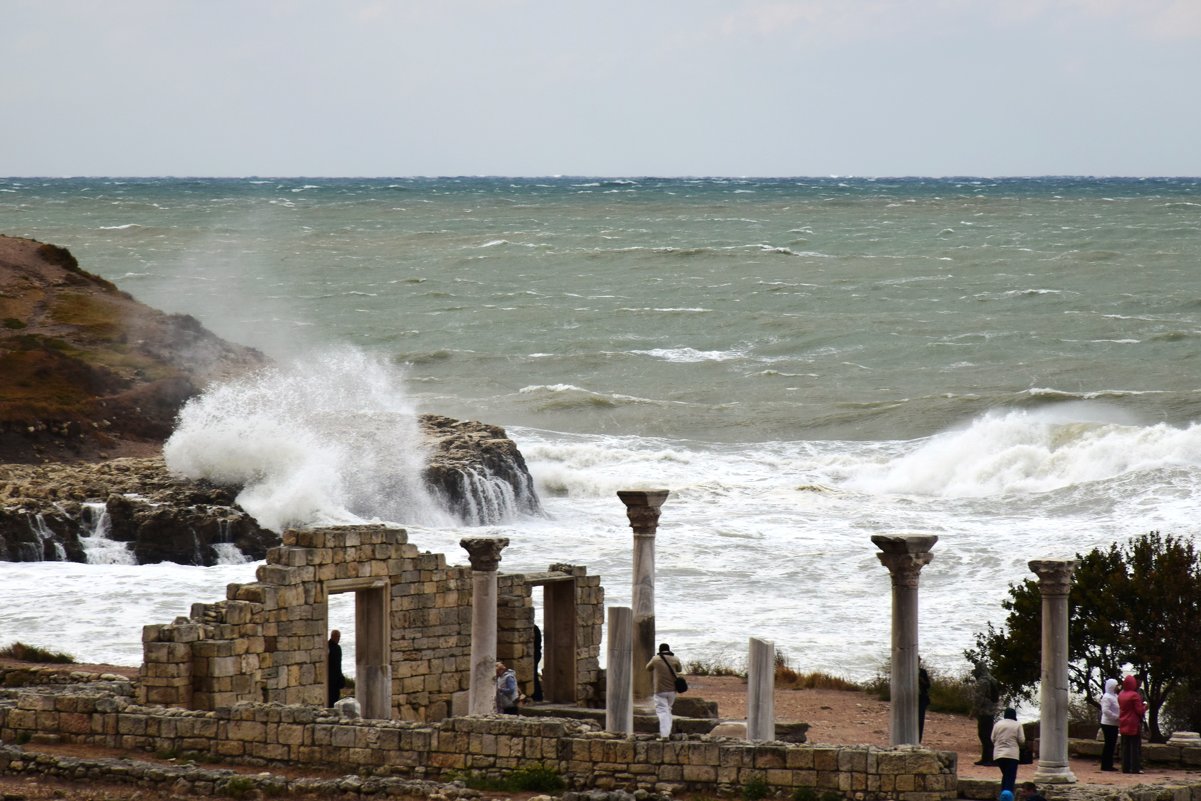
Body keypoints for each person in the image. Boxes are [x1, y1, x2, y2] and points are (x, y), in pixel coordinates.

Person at [646, 642, 683, 738]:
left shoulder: (655, 659)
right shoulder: (675, 659)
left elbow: (648, 668)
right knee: (668, 710)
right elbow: (679, 669)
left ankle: (664, 735)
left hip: (660, 689)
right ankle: (667, 732)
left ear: (660, 650)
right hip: (672, 690)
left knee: (662, 711)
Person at [970, 662, 1001, 765]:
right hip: (991, 709)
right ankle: (986, 758)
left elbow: (979, 698)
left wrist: (973, 712)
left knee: (984, 735)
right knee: (987, 734)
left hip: (985, 710)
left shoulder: (983, 681)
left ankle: (989, 758)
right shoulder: (992, 679)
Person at [991, 707, 1025, 794]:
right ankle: (1007, 796)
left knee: (1006, 775)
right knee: (1010, 777)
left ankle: (1003, 794)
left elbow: (992, 738)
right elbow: (1022, 740)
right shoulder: (1017, 725)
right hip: (1012, 755)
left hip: (998, 754)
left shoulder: (998, 724)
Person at [1118, 674, 1147, 773]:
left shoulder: (1121, 694)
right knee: (1134, 746)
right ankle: (1135, 768)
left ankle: (1125, 767)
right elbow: (1139, 710)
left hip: (1123, 721)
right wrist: (1145, 707)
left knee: (1125, 746)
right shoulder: (1135, 695)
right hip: (1133, 723)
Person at [1099, 677, 1120, 771]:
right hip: (1108, 723)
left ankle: (1109, 764)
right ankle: (1105, 765)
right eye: (1116, 685)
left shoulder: (1115, 696)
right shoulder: (1106, 697)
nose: (1118, 687)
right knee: (1109, 744)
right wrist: (1115, 717)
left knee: (1112, 744)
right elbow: (1105, 710)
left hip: (1114, 724)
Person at [327, 629, 346, 708]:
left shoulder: (331, 647)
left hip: (333, 679)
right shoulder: (333, 648)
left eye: (339, 637)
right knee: (332, 700)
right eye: (338, 637)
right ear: (333, 636)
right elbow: (336, 665)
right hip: (332, 680)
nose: (339, 639)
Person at [918, 660, 932, 743]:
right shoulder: (905, 671)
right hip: (910, 699)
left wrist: (921, 680)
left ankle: (918, 740)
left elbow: (928, 685)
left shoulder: (922, 672)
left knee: (920, 720)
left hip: (921, 699)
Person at [532, 624, 544, 702]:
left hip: (535, 654)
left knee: (534, 675)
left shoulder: (534, 628)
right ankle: (537, 696)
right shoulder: (535, 628)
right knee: (534, 675)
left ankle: (537, 696)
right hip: (537, 653)